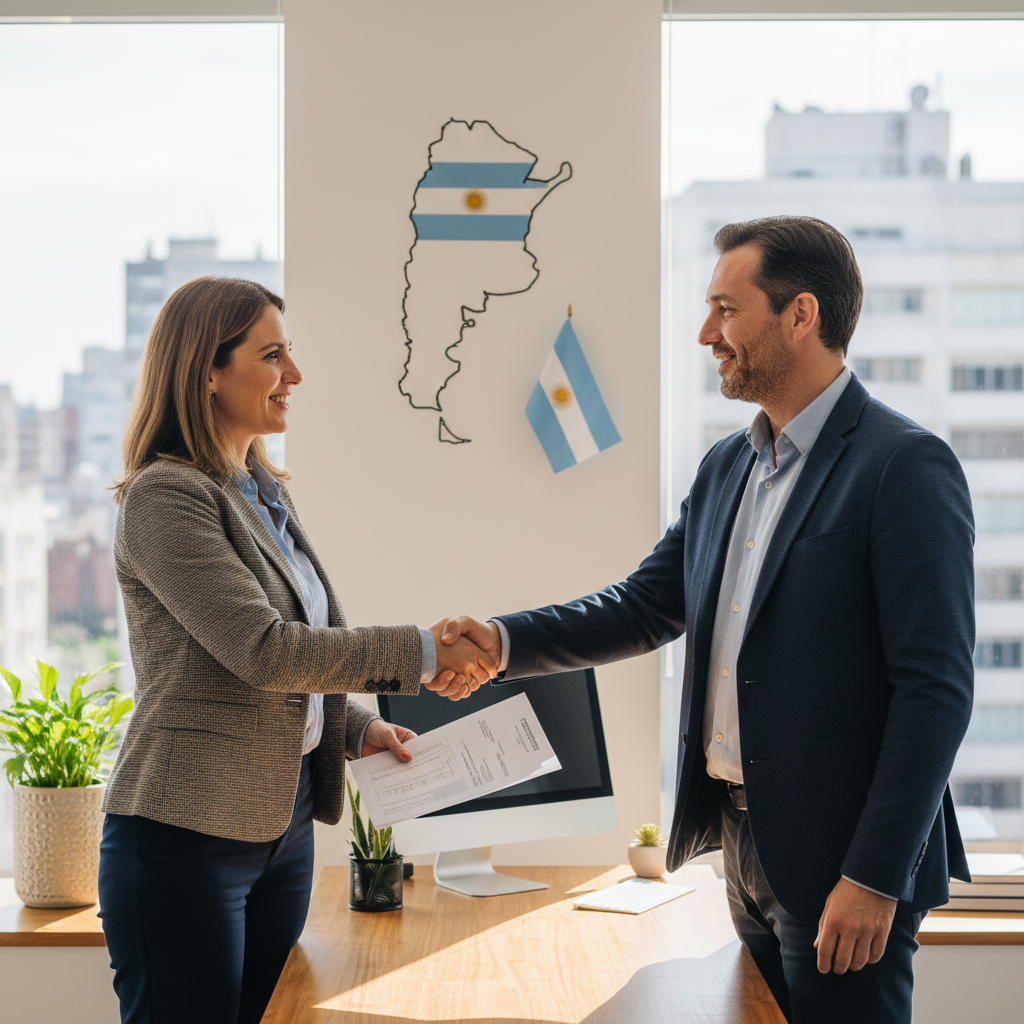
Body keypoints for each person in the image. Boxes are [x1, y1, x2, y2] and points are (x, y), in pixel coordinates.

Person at [438, 217, 975, 1024]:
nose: (706, 334)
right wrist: (504, 642)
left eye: (726, 310)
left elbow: (935, 692)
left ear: (801, 316)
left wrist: (874, 877)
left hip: (843, 863)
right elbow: (646, 605)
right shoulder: (730, 465)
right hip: (745, 850)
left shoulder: (902, 465)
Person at [98, 276, 492, 1024]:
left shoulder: (263, 493)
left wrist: (354, 731)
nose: (295, 376)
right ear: (206, 370)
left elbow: (262, 679)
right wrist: (423, 651)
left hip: (280, 836)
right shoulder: (166, 498)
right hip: (184, 838)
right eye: (272, 355)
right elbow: (265, 650)